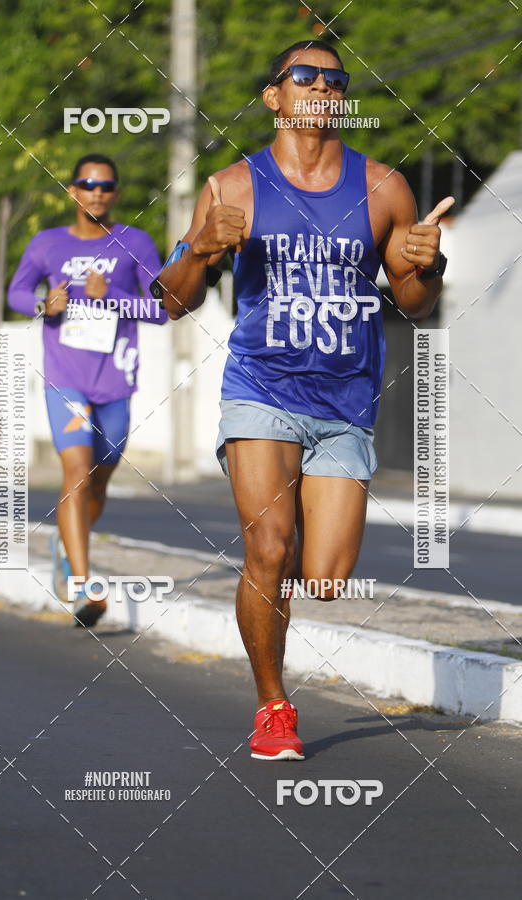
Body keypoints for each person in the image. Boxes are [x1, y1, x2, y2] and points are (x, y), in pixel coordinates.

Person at [154, 40, 452, 759]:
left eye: (335, 79)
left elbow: (412, 305)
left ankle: (275, 587)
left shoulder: (383, 188)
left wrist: (429, 265)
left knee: (322, 578)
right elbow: (170, 303)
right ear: (274, 97)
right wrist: (198, 250)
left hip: (345, 400)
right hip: (261, 387)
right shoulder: (233, 187)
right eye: (305, 76)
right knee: (269, 544)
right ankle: (272, 706)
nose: (322, 86)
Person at [9, 153, 167, 627]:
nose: (96, 193)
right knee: (76, 469)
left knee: (97, 481)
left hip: (115, 382)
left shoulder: (135, 242)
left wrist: (112, 297)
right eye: (87, 184)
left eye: (105, 186)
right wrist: (44, 303)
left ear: (115, 193)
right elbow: (17, 293)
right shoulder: (47, 243)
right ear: (72, 191)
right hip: (67, 379)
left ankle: (65, 539)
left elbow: (163, 308)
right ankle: (81, 586)